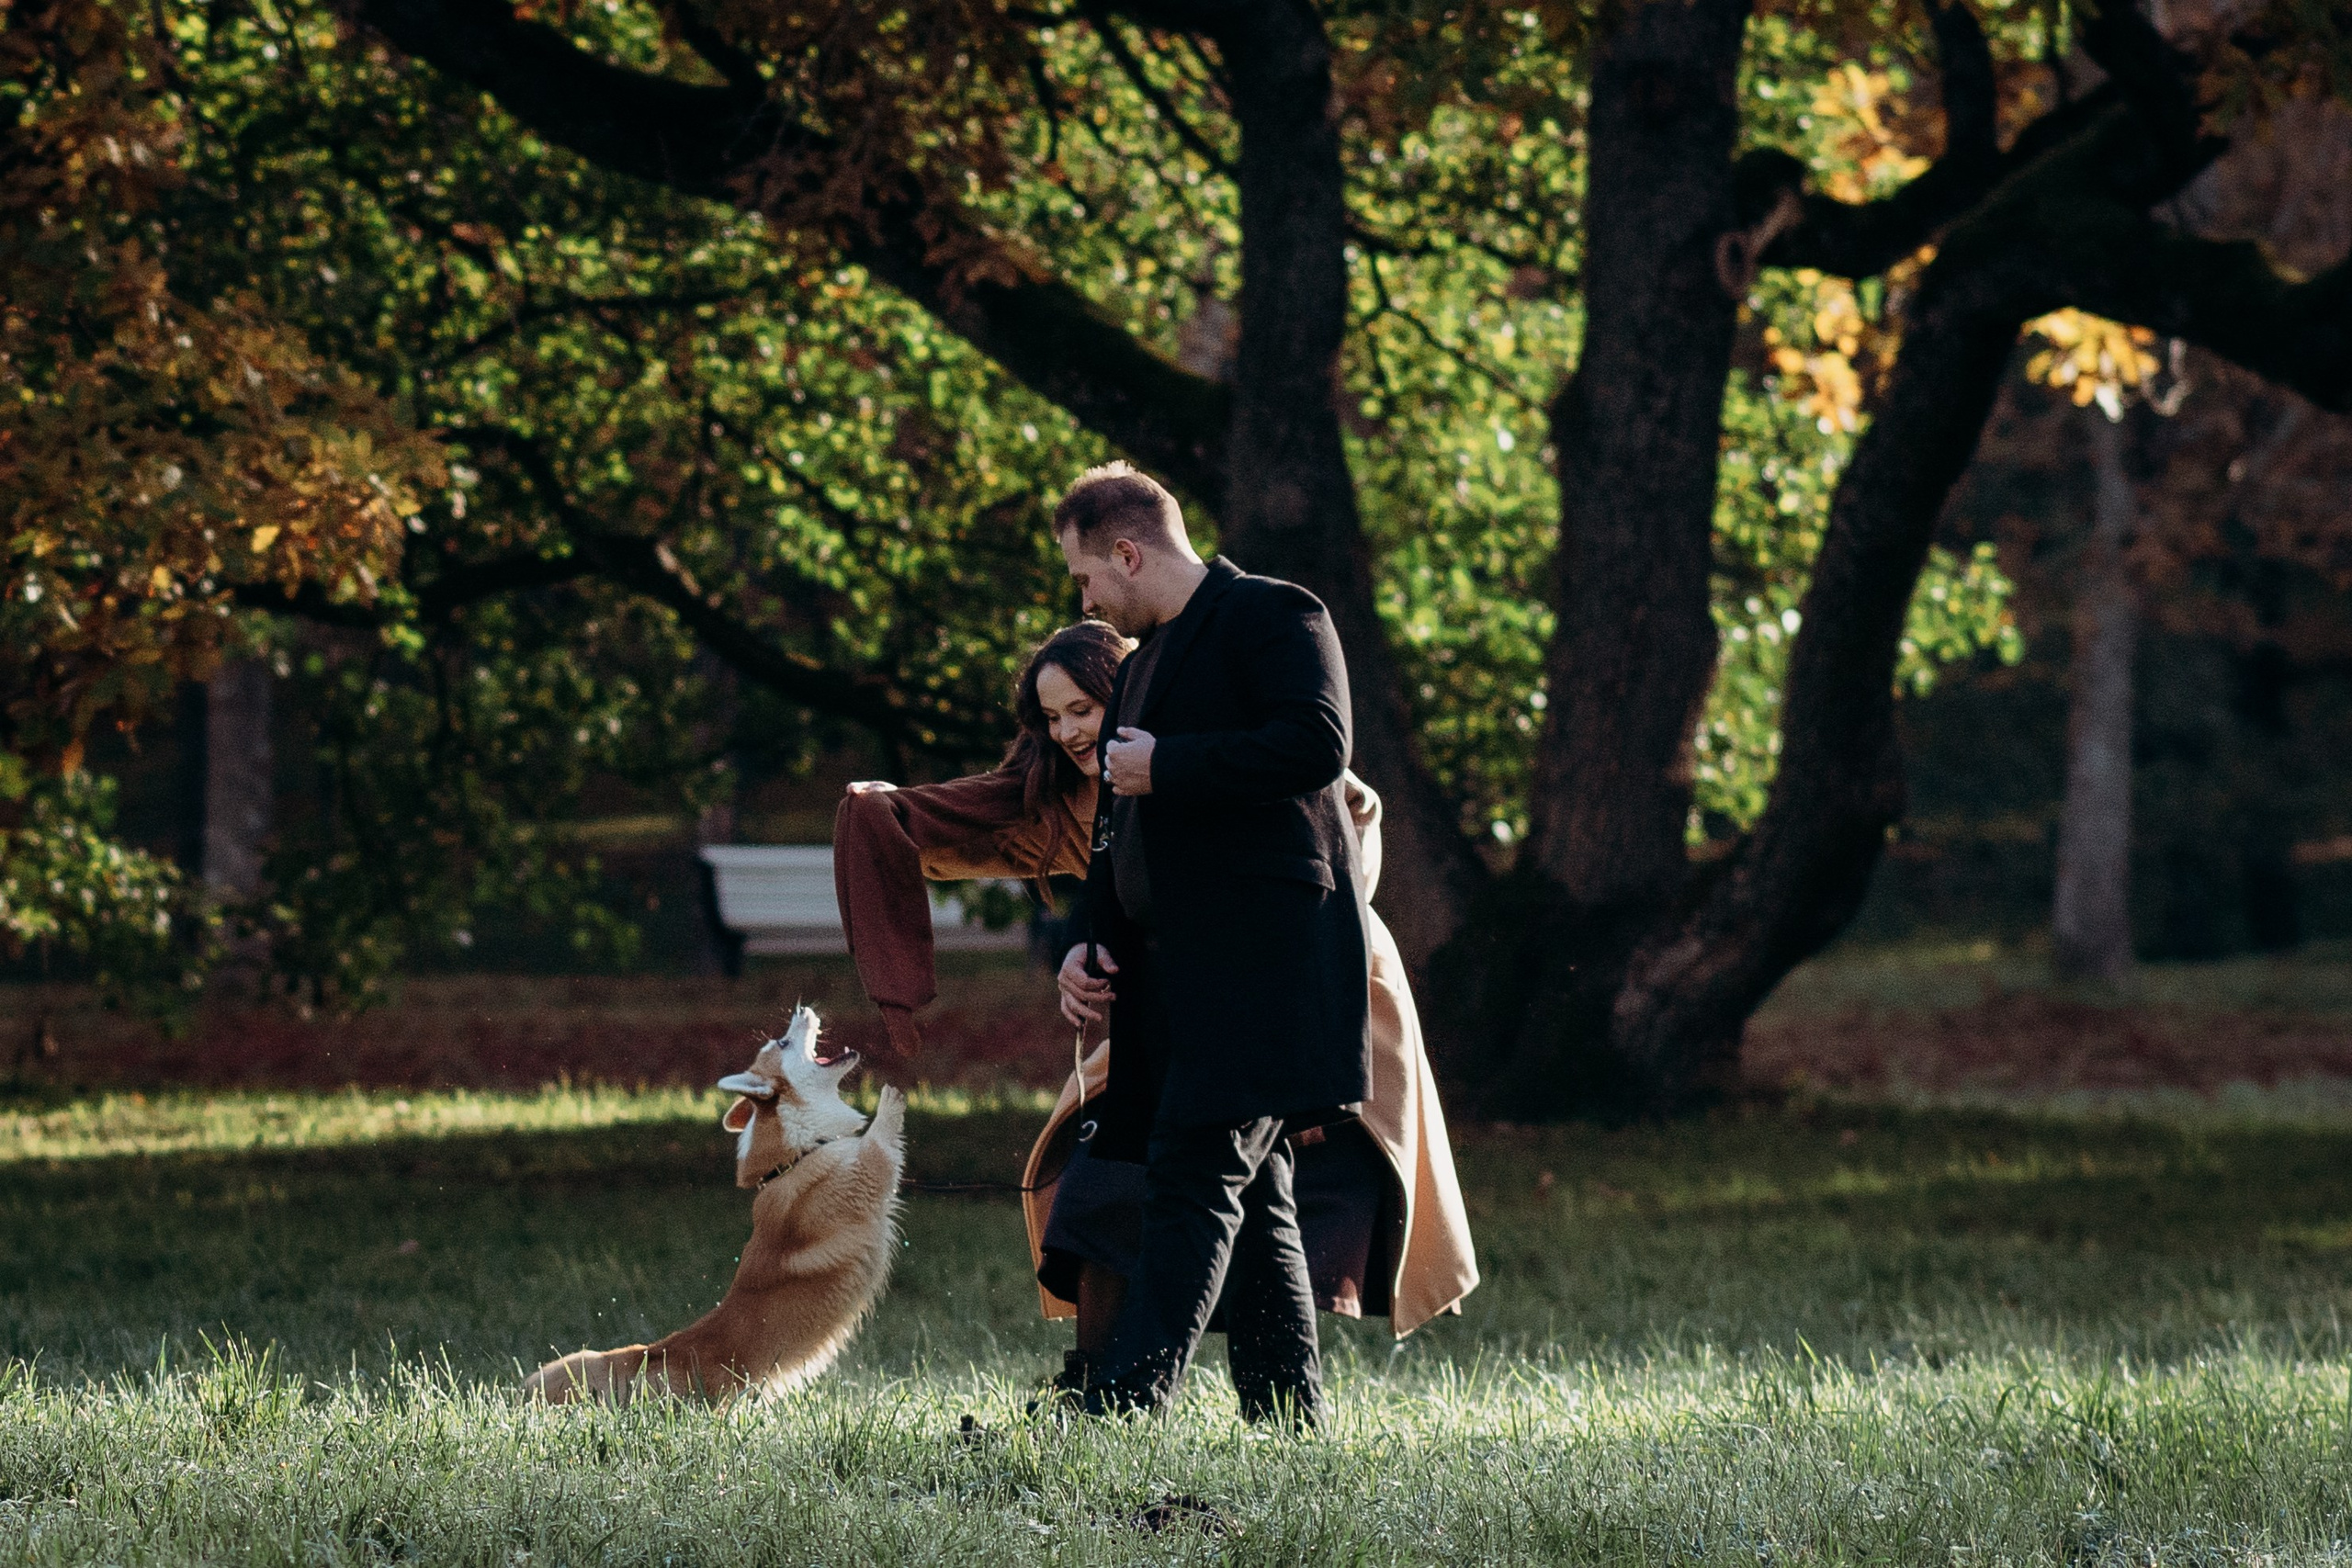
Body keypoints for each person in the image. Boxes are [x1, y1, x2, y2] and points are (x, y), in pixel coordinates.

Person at [831, 615, 1477, 1413]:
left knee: (1217, 1186)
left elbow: (1345, 814)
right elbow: (1000, 836)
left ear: (1131, 692)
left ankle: (1127, 1396)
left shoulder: (1207, 742)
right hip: (1173, 1009)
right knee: (1167, 1181)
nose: (1069, 730)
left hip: (1303, 999)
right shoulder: (1070, 789)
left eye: (1083, 708)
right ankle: (1249, 1405)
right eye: (1052, 715)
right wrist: (892, 815)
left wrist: (1291, 927)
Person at [1044, 459, 1385, 1427]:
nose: (1084, 600)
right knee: (1259, 1192)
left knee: (1193, 1177)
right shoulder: (1140, 665)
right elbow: (1116, 829)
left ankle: (1123, 1408)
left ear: (1127, 552)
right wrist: (1087, 941)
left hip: (1267, 964)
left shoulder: (1277, 613)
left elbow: (1318, 744)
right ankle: (1288, 1418)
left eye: (1085, 577)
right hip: (1176, 980)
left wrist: (1172, 763)